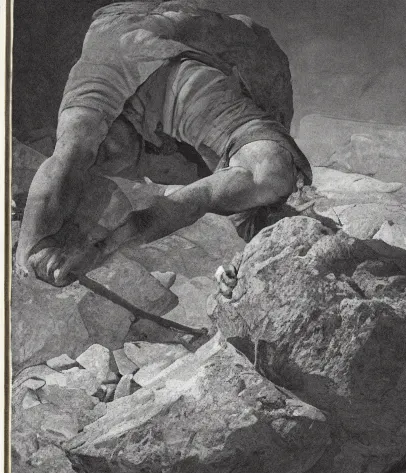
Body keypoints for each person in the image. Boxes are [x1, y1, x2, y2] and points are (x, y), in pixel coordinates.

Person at [14, 0, 312, 287]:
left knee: (266, 181)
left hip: (188, 58)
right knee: (257, 194)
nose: (97, 158)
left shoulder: (169, 81)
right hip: (137, 40)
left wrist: (53, 248)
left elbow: (260, 177)